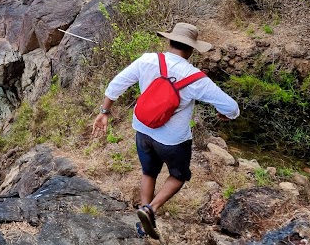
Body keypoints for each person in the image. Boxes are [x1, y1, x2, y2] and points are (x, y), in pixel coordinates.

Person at [91, 22, 240, 239]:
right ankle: (150, 209)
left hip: (143, 129)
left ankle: (144, 221)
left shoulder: (147, 60)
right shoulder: (196, 78)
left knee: (148, 171)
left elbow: (117, 84)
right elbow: (231, 107)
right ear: (191, 50)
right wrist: (226, 115)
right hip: (172, 140)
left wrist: (105, 111)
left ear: (169, 41)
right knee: (178, 176)